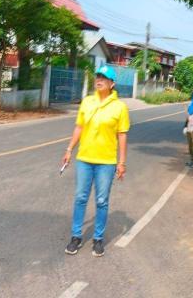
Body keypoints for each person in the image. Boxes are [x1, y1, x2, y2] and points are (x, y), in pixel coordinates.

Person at [62, 65, 130, 257]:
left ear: (112, 83)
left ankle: (98, 239)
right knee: (80, 197)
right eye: (97, 76)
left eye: (104, 77)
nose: (99, 79)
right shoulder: (87, 102)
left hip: (106, 162)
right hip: (84, 158)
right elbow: (79, 127)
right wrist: (69, 150)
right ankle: (76, 236)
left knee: (101, 200)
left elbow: (122, 135)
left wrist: (121, 162)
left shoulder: (120, 107)